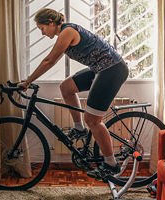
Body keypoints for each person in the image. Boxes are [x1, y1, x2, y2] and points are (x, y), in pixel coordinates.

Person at [18, 8, 129, 177]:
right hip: (100, 68)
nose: (42, 33)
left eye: (42, 28)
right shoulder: (65, 32)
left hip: (112, 69)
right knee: (66, 87)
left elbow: (50, 60)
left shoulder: (67, 31)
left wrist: (27, 81)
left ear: (50, 22)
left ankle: (111, 164)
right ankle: (79, 129)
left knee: (93, 120)